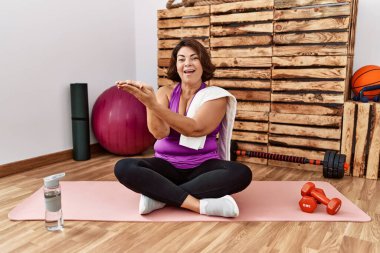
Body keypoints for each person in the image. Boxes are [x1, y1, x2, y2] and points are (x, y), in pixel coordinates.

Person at [114, 38, 252, 218]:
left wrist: (152, 104)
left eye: (194, 58)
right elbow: (159, 133)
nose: (187, 63)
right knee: (124, 166)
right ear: (176, 65)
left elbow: (194, 129)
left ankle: (159, 196)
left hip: (203, 168)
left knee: (241, 173)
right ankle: (197, 205)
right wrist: (149, 101)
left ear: (203, 63)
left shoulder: (217, 96)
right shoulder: (164, 92)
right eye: (181, 59)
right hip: (166, 167)